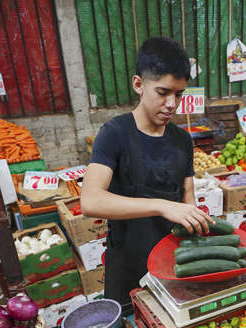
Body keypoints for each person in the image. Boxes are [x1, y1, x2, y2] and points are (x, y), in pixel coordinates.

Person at [80, 37, 213, 310]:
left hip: (173, 270)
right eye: (163, 92)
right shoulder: (114, 134)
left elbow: (188, 197)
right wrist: (162, 206)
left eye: (179, 94)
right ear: (139, 85)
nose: (172, 104)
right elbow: (90, 202)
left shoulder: (182, 140)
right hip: (128, 272)